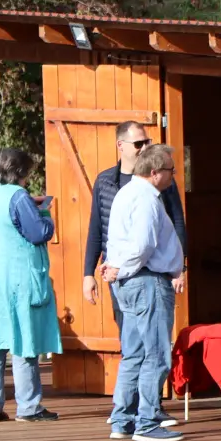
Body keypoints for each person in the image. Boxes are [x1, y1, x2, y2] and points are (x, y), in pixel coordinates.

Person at [0, 148, 62, 423]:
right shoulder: (18, 196)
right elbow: (38, 233)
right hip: (18, 276)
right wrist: (44, 213)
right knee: (24, 341)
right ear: (19, 172)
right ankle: (29, 406)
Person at [102, 144, 187, 441]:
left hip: (130, 282)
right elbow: (142, 246)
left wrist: (116, 269)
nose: (174, 176)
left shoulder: (126, 193)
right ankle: (147, 422)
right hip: (147, 282)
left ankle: (122, 420)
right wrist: (121, 269)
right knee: (157, 354)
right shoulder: (147, 199)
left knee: (134, 355)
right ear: (154, 173)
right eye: (171, 171)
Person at [82, 120, 187, 312]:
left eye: (147, 142)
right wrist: (88, 273)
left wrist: (181, 268)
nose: (145, 148)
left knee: (151, 335)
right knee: (128, 336)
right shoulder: (104, 182)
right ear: (120, 145)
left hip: (152, 275)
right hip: (118, 275)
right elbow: (96, 229)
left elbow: (177, 223)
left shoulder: (162, 181)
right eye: (139, 144)